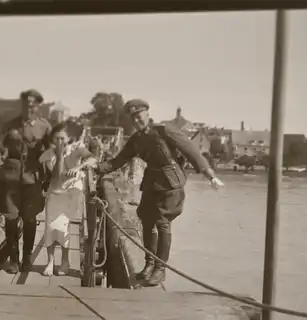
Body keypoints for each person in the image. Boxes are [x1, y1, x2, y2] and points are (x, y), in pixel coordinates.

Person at [94, 99, 224, 286]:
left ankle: (160, 269)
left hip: (171, 182)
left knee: (163, 223)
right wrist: (95, 168)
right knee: (146, 221)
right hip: (152, 182)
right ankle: (149, 264)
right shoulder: (136, 140)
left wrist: (210, 175)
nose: (137, 121)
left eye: (139, 116)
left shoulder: (165, 131)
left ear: (147, 114)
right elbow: (117, 161)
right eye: (134, 119)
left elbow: (191, 151)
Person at [0, 89, 52, 274]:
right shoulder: (10, 125)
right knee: (10, 218)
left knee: (30, 219)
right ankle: (14, 260)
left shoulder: (45, 127)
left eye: (33, 106)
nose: (29, 109)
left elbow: (52, 150)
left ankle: (27, 258)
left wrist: (48, 163)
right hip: (11, 179)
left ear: (39, 107)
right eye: (26, 105)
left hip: (33, 179)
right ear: (22, 106)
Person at [39, 122, 97, 276]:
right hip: (55, 192)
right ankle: (50, 262)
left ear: (69, 138)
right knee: (50, 228)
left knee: (63, 227)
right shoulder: (48, 155)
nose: (59, 142)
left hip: (71, 193)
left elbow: (93, 160)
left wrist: (78, 168)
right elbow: (57, 176)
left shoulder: (77, 149)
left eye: (62, 138)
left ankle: (65, 262)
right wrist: (59, 156)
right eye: (56, 138)